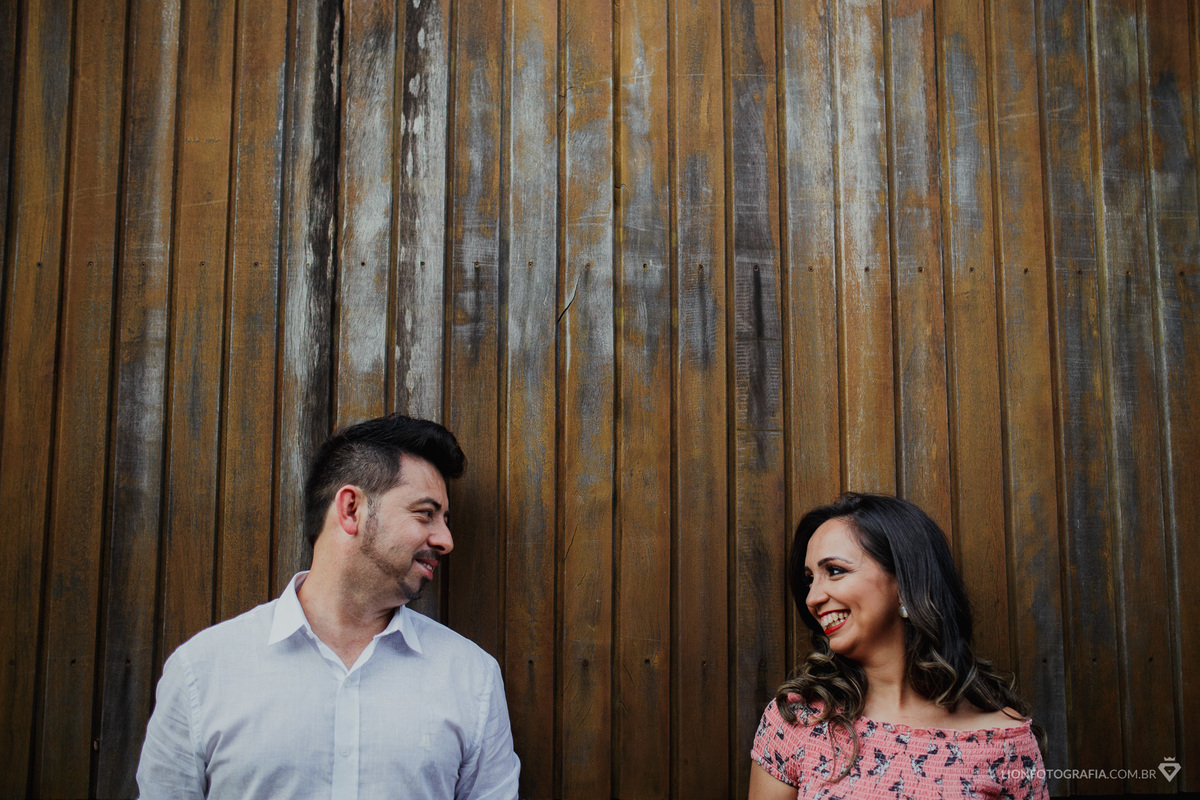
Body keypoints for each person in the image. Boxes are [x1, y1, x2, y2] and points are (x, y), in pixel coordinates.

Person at [137, 414, 520, 799]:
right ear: (351, 509)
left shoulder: (472, 678)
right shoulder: (201, 672)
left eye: (445, 519)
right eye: (425, 514)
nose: (446, 539)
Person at [749, 493, 1047, 799]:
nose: (812, 598)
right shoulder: (797, 720)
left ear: (906, 585)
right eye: (809, 579)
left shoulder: (1005, 742)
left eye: (835, 571)